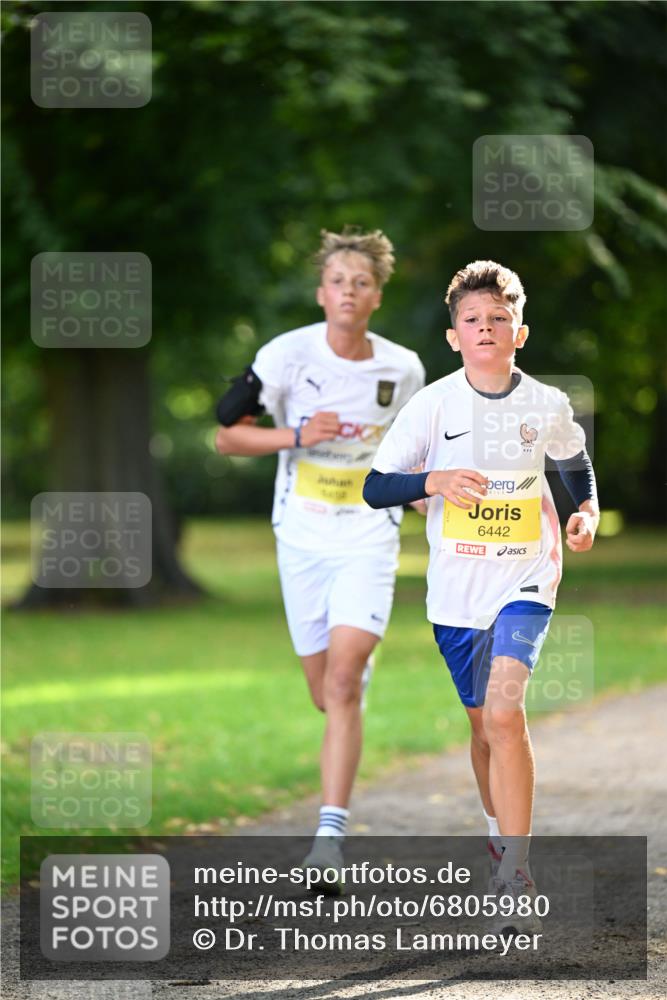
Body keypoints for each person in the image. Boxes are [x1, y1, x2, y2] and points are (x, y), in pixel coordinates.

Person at [364, 259, 598, 932]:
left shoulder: (543, 404)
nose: (486, 328)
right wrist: (432, 481)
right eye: (473, 320)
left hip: (526, 575)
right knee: (479, 725)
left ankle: (515, 874)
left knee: (503, 713)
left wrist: (584, 510)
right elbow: (376, 487)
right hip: (455, 592)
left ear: (519, 332)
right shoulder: (431, 405)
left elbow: (574, 462)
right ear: (452, 335)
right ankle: (498, 835)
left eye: (499, 318)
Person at [215, 227, 425, 889]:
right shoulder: (285, 355)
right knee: (326, 693)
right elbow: (227, 436)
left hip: (368, 533)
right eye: (337, 280)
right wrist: (299, 435)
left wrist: (421, 491)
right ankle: (348, 668)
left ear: (376, 297)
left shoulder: (403, 368)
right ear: (321, 292)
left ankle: (328, 841)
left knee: (342, 680)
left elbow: (413, 451)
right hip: (301, 538)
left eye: (361, 282)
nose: (348, 291)